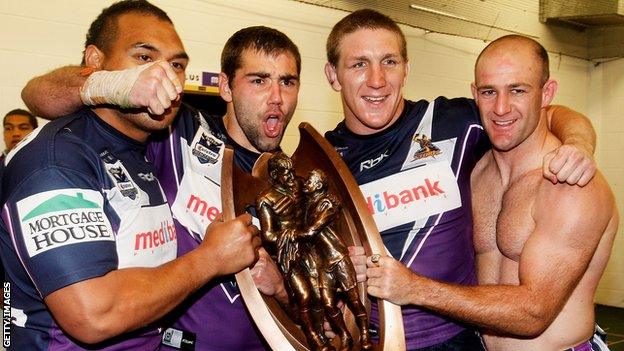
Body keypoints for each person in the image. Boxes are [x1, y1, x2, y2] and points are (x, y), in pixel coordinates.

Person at [322, 9, 599, 351]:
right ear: (333, 75)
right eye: (359, 64)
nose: (377, 80)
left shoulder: (458, 122)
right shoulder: (321, 162)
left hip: (459, 338)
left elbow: (544, 113)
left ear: (406, 69)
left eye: (389, 62)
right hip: (377, 341)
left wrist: (579, 145)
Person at [21, 20, 302, 351]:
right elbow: (37, 96)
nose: (276, 98)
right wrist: (116, 85)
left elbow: (312, 305)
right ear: (226, 87)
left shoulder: (296, 181)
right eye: (259, 81)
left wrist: (279, 285)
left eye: (288, 82)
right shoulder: (177, 129)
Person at [256, 152, 331, 351]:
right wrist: (292, 234)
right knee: (304, 295)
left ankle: (322, 333)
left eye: (291, 172)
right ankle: (313, 336)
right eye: (285, 173)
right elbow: (269, 235)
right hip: (288, 252)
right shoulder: (266, 199)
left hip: (310, 246)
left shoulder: (298, 185)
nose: (290, 177)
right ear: (273, 175)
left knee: (319, 291)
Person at [301, 169, 372, 351]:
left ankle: (364, 334)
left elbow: (312, 230)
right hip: (324, 264)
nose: (306, 183)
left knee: (354, 300)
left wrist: (290, 234)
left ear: (318, 185)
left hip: (338, 257)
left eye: (309, 181)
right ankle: (345, 335)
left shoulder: (327, 203)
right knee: (328, 304)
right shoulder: (307, 205)